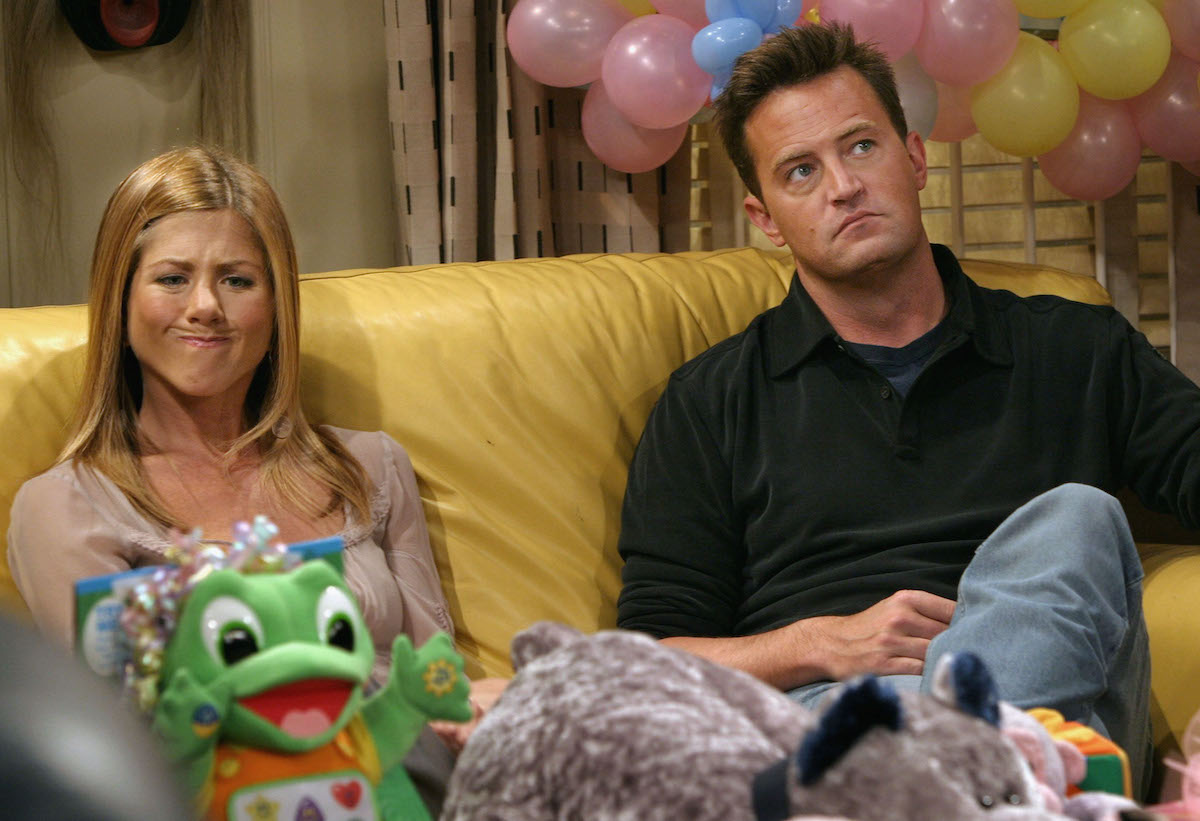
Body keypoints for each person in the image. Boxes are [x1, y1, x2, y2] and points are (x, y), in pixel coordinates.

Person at [616, 23, 1195, 799]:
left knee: (1078, 519)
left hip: (1049, 720)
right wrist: (818, 642)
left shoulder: (1074, 348)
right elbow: (646, 661)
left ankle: (955, 779)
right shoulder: (709, 403)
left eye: (860, 147)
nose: (842, 187)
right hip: (841, 713)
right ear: (766, 216)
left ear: (914, 159)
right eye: (800, 171)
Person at [5, 146, 496, 808]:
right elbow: (125, 744)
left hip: (414, 783)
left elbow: (438, 679)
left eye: (237, 280)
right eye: (172, 278)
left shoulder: (370, 467)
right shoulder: (66, 507)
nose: (206, 305)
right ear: (120, 304)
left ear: (277, 308)